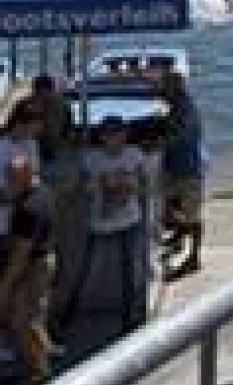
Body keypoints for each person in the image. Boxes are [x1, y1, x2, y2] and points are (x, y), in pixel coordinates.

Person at [55, 115, 150, 337]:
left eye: (118, 134)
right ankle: (68, 318)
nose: (114, 139)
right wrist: (63, 202)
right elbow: (78, 186)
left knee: (129, 273)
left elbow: (146, 187)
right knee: (87, 273)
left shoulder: (135, 155)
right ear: (102, 137)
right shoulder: (92, 159)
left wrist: (128, 187)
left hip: (129, 222)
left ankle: (130, 320)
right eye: (109, 135)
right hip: (100, 224)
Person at [0, 153, 57, 385]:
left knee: (24, 323)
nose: (8, 184)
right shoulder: (42, 192)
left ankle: (40, 374)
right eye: (8, 178)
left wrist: (3, 288)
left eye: (13, 179)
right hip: (39, 262)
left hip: (34, 267)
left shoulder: (29, 208)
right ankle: (36, 366)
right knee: (28, 320)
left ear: (26, 177)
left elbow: (21, 254)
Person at [0, 103, 42, 364]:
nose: (37, 131)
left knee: (26, 287)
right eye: (34, 125)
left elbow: (34, 178)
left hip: (24, 225)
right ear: (20, 124)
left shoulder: (31, 146)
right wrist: (16, 197)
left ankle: (31, 340)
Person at [159, 70, 207, 279]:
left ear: (175, 89)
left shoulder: (187, 111)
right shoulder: (175, 107)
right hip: (175, 168)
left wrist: (158, 142)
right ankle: (179, 237)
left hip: (190, 170)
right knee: (170, 205)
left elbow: (180, 138)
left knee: (192, 216)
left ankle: (194, 258)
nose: (161, 92)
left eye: (164, 88)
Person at [28, 74, 75, 161]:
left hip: (53, 146)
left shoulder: (61, 105)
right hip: (41, 146)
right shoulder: (29, 105)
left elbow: (68, 128)